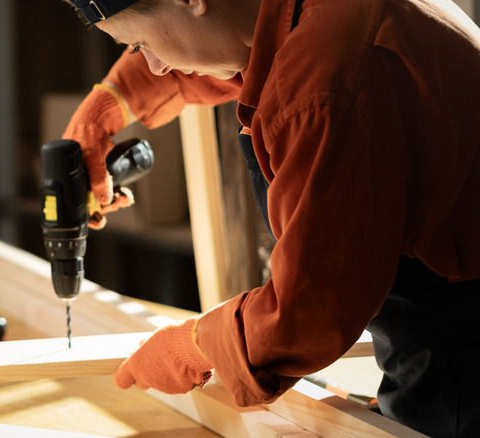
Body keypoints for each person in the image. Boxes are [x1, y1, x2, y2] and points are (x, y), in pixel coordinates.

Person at [59, 0, 480, 436]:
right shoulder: (295, 16)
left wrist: (199, 345)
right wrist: (110, 102)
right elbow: (217, 45)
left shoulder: (320, 82)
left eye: (141, 43)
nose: (155, 66)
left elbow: (314, 306)